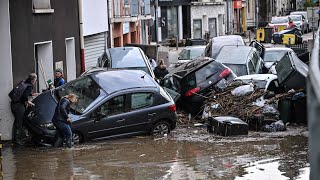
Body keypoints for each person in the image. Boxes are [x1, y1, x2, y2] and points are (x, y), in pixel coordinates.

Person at [10, 73, 37, 145]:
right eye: (35, 80)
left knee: (17, 122)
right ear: (33, 80)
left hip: (13, 104)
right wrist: (29, 102)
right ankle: (17, 140)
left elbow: (21, 93)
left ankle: (16, 139)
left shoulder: (23, 82)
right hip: (19, 106)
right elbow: (24, 96)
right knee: (19, 123)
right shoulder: (30, 86)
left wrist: (31, 94)